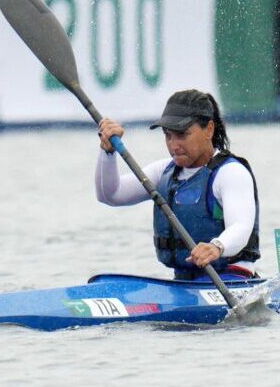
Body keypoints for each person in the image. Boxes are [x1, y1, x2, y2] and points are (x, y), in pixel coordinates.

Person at [95, 89, 260, 280]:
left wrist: (217, 246)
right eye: (168, 135)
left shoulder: (230, 173)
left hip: (232, 277)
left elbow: (241, 226)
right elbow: (110, 195)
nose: (173, 145)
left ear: (209, 129)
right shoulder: (163, 171)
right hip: (184, 281)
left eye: (182, 134)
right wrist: (107, 153)